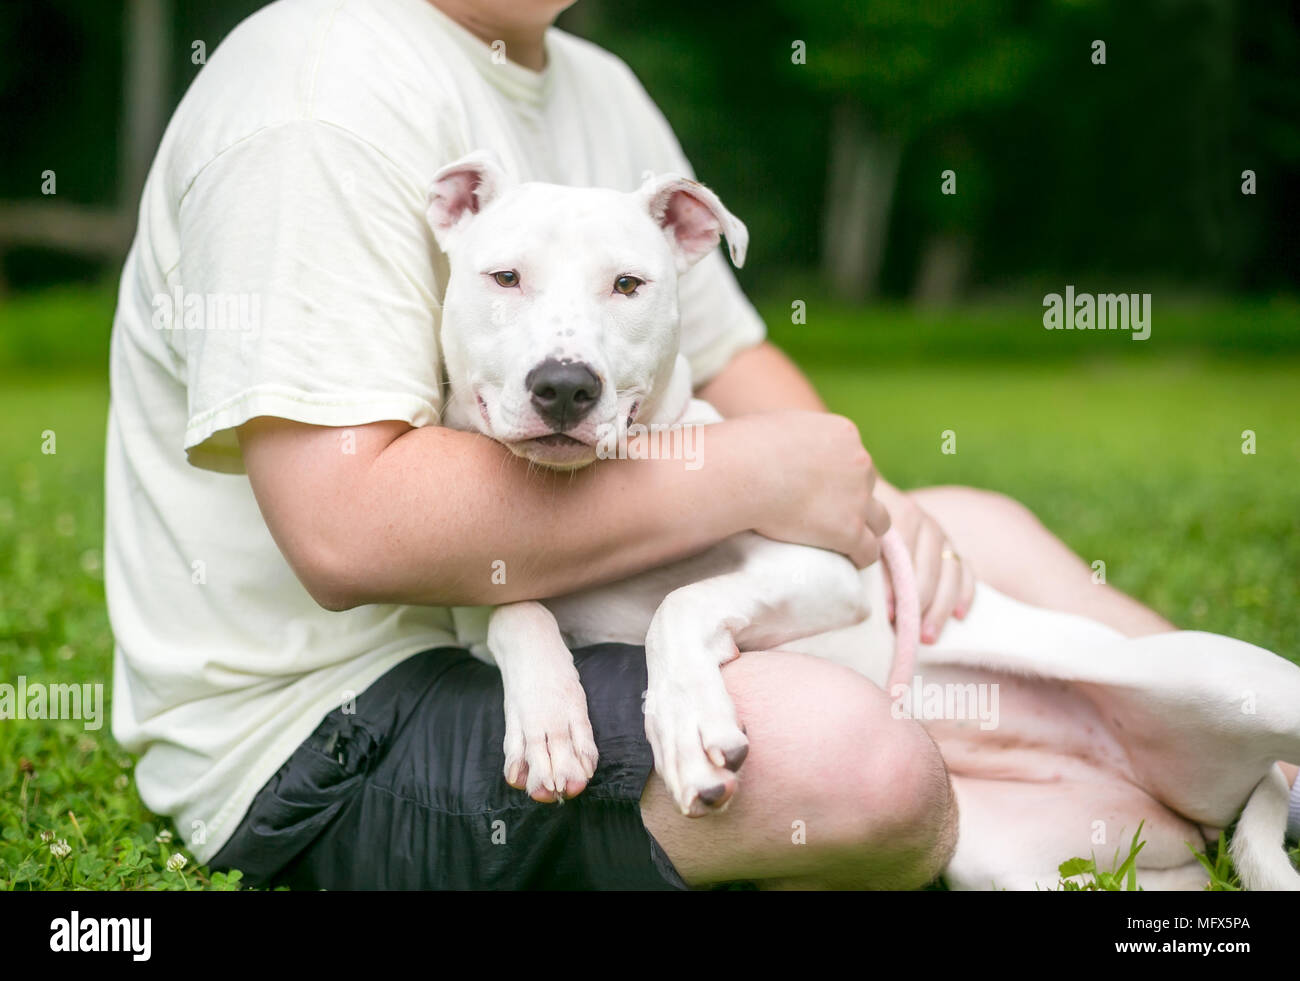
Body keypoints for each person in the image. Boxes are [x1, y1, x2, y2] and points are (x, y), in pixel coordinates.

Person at [106, 0, 1186, 890]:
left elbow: (725, 360)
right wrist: (761, 469)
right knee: (851, 759)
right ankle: (1063, 791)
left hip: (582, 600)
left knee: (970, 530)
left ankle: (1229, 749)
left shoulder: (596, 87)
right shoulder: (317, 95)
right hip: (340, 724)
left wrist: (867, 501)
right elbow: (348, 532)